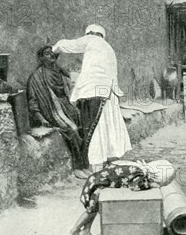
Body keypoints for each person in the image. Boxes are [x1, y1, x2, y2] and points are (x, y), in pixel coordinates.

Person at [52, 24, 132, 171]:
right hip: (108, 93)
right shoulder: (108, 48)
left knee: (94, 129)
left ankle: (95, 167)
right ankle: (107, 162)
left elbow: (68, 45)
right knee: (107, 127)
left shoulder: (91, 40)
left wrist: (54, 49)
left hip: (94, 92)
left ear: (90, 33)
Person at [70, 159, 175, 235]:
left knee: (93, 209)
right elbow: (136, 186)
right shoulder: (139, 173)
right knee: (91, 211)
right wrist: (150, 185)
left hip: (96, 182)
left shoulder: (138, 167)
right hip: (96, 186)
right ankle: (75, 229)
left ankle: (85, 231)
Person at [26, 46, 90, 179]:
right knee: (71, 130)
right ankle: (77, 167)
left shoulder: (60, 72)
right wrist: (42, 119)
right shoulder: (36, 78)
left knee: (83, 124)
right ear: (41, 58)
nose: (51, 55)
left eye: (52, 53)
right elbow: (33, 103)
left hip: (66, 106)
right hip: (51, 110)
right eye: (47, 54)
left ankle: (85, 165)